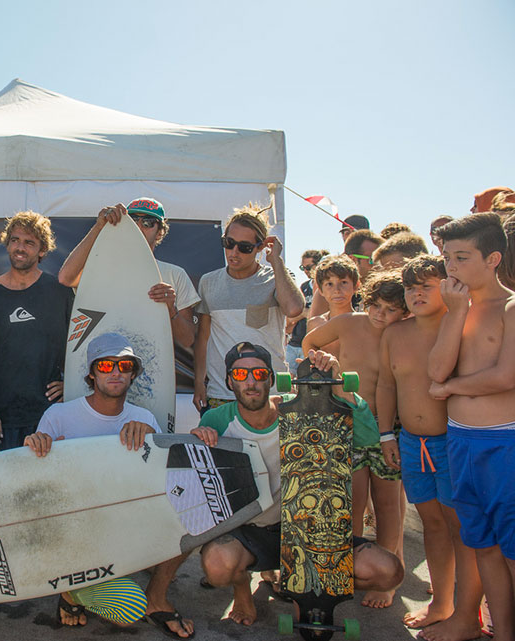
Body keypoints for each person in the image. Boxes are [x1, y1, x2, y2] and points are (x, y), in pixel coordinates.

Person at [194, 343, 403, 627]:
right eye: (241, 374)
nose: (251, 382)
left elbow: (367, 437)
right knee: (217, 567)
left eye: (259, 373)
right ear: (229, 381)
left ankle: (308, 585)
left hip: (309, 529)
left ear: (272, 378)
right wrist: (198, 438)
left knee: (388, 571)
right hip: (252, 531)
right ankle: (244, 590)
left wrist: (340, 387)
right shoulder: (217, 420)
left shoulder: (300, 407)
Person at [377, 255, 484, 640]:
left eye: (426, 285)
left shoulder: (463, 325)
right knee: (433, 526)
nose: (417, 293)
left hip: (453, 442)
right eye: (410, 287)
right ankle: (441, 604)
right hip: (410, 442)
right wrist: (386, 435)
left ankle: (469, 612)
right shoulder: (394, 334)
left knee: (463, 529)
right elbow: (386, 385)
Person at [24, 333, 158, 632]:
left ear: (133, 373)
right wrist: (36, 448)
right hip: (70, 531)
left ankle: (79, 588)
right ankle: (69, 588)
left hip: (121, 527)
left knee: (130, 609)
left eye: (124, 365)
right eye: (105, 365)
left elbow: (158, 484)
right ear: (91, 373)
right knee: (128, 606)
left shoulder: (145, 418)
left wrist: (151, 438)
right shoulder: (59, 415)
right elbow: (36, 489)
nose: (115, 372)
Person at [428, 212, 515, 641]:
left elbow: (505, 376)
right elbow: (436, 369)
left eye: (462, 257)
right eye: (448, 257)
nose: (452, 267)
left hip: (504, 444)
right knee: (483, 544)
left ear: (493, 258)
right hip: (461, 441)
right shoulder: (457, 308)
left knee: (512, 547)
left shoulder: (511, 307)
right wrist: (457, 312)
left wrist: (451, 388)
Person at [303, 270, 410, 608]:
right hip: (347, 424)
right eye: (375, 305)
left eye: (390, 310)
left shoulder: (403, 334)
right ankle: (348, 571)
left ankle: (387, 580)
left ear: (404, 312)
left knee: (388, 505)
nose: (380, 314)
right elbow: (309, 342)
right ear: (367, 301)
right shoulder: (349, 322)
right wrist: (321, 364)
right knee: (351, 505)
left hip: (388, 428)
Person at [0, 212, 73, 449]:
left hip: (51, 414)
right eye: (15, 240)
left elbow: (78, 344)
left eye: (29, 242)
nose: (20, 248)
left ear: (42, 250)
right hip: (2, 417)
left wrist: (72, 384)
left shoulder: (60, 292)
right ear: (7, 244)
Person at [192, 203, 304, 410]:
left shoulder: (277, 278)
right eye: (228, 243)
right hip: (222, 394)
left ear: (260, 247)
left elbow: (294, 310)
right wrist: (199, 381)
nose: (234, 252)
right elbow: (203, 337)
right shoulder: (208, 282)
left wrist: (276, 261)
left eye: (244, 247)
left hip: (270, 394)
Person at [58, 198, 199, 349]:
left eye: (148, 223)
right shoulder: (101, 268)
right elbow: (66, 278)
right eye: (132, 221)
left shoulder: (175, 274)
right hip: (105, 360)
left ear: (159, 233)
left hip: (151, 360)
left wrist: (171, 309)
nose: (138, 227)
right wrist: (99, 227)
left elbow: (187, 340)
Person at [305, 254, 360, 353]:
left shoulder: (364, 323)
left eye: (343, 282)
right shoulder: (315, 324)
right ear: (320, 290)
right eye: (329, 284)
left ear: (356, 286)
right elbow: (310, 358)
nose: (337, 290)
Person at [285, 249, 328, 375]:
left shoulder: (326, 288)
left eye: (308, 267)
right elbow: (290, 317)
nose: (306, 271)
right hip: (294, 342)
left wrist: (304, 313)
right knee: (287, 379)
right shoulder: (303, 287)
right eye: (302, 268)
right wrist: (304, 313)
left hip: (311, 344)